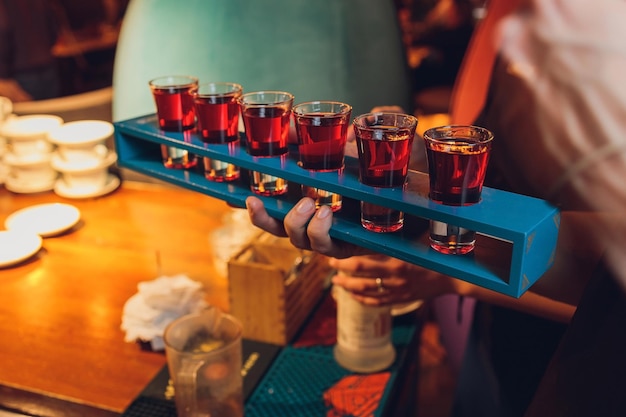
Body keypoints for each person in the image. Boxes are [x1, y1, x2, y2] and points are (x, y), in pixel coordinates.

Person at [245, 0, 626, 414]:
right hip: (491, 325)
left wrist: (450, 272)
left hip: (562, 351)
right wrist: (415, 164)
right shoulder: (518, 13)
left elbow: (608, 285)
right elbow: (487, 146)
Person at [0, 0, 61, 101]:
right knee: (51, 112)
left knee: (32, 114)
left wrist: (3, 76)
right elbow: (53, 26)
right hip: (48, 65)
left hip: (20, 73)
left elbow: (3, 33)